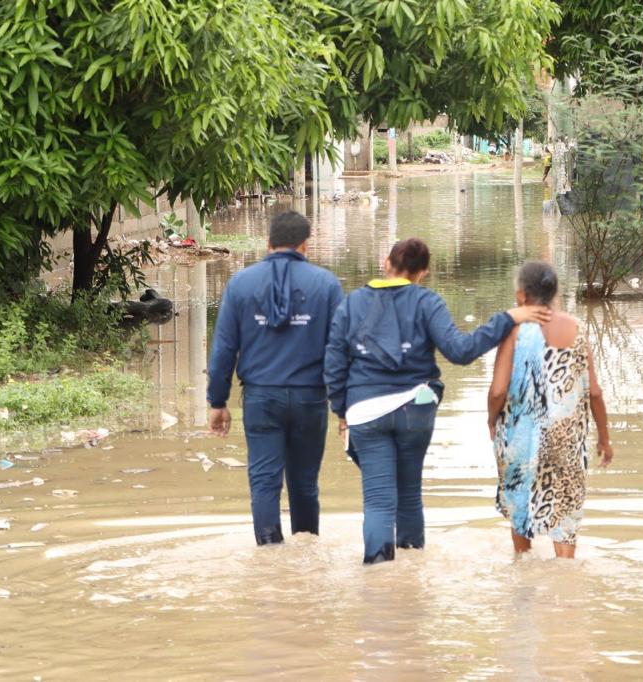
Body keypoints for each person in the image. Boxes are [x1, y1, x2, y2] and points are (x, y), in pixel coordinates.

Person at [324, 238, 551, 565]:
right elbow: (460, 351)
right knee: (409, 494)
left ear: (387, 263)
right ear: (424, 272)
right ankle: (413, 571)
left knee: (378, 502)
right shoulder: (427, 302)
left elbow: (333, 362)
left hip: (365, 410)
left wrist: (341, 410)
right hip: (416, 407)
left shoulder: (352, 303)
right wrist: (508, 317)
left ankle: (377, 577)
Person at [207, 211, 344, 546]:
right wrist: (344, 406)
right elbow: (341, 350)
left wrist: (218, 401)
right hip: (310, 399)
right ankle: (306, 554)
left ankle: (268, 556)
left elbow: (225, 347)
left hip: (261, 399)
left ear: (268, 243)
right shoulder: (325, 285)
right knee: (305, 483)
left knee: (264, 482)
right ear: (305, 245)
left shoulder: (241, 284)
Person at [488, 262, 612, 559]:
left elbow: (498, 390)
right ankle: (566, 588)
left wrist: (492, 421)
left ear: (521, 295)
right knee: (565, 520)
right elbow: (594, 392)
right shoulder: (577, 328)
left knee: (521, 510)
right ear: (554, 292)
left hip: (520, 439)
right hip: (565, 441)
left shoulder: (514, 330)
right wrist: (604, 439)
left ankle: (523, 570)